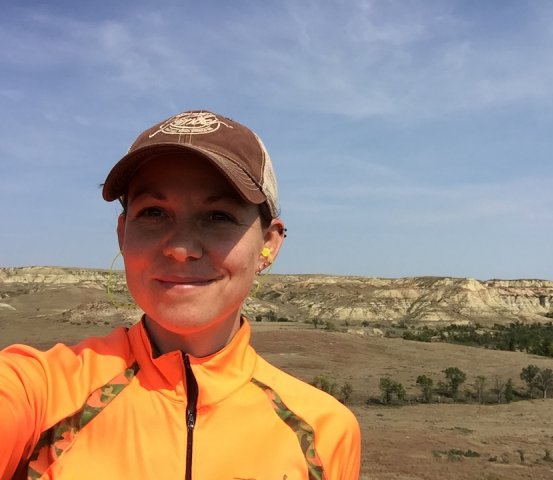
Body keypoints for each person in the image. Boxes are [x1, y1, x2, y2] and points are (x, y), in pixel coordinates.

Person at [0, 110, 361, 479]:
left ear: (268, 243)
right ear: (123, 233)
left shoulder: (323, 433)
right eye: (154, 212)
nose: (181, 248)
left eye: (218, 216)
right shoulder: (40, 392)